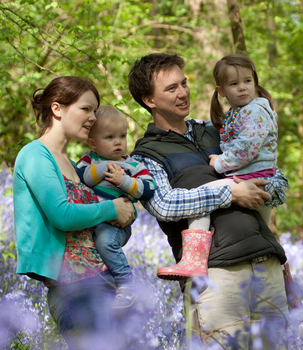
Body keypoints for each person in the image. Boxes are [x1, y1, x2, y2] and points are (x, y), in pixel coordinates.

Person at [128, 53, 289, 347]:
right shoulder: (145, 154)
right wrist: (231, 191)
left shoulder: (218, 130)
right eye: (171, 88)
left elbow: (276, 179)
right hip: (216, 276)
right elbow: (165, 204)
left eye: (184, 83)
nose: (183, 92)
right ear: (148, 100)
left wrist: (266, 187)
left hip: (265, 263)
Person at [13, 76, 135, 350]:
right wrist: (111, 208)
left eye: (94, 110)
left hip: (104, 280)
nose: (93, 117)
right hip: (73, 289)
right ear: (57, 108)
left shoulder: (71, 164)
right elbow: (62, 215)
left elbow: (98, 221)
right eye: (86, 109)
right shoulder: (34, 155)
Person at [156, 54, 278, 279]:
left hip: (253, 176)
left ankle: (194, 259)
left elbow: (247, 148)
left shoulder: (255, 110)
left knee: (204, 196)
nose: (242, 88)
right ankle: (279, 267)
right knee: (261, 228)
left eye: (247, 82)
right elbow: (163, 205)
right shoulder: (235, 114)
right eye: (234, 84)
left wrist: (220, 162)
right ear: (221, 90)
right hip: (252, 177)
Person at [75, 105, 156, 308]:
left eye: (122, 135)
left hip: (114, 226)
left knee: (104, 242)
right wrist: (104, 168)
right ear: (93, 143)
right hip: (89, 222)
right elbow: (81, 178)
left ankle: (126, 284)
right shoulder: (88, 161)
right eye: (109, 137)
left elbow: (148, 189)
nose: (118, 142)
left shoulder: (133, 166)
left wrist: (124, 182)